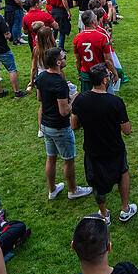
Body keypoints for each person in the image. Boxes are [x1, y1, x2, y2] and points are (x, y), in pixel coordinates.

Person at [71, 63, 136, 223]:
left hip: (93, 148)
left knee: (96, 180)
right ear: (104, 81)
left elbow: (74, 125)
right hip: (114, 148)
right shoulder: (115, 102)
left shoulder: (80, 99)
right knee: (122, 173)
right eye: (108, 76)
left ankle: (103, 213)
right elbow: (126, 130)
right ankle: (125, 209)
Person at [36, 47, 92, 202]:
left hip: (46, 125)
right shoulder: (59, 83)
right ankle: (73, 190)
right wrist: (73, 98)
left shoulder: (41, 77)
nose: (66, 58)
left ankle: (52, 190)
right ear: (58, 62)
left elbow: (40, 97)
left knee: (51, 158)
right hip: (59, 127)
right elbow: (64, 111)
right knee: (68, 160)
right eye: (63, 57)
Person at [72, 10, 117, 92]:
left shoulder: (77, 38)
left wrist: (80, 73)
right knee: (105, 100)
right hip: (100, 75)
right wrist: (115, 73)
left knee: (88, 101)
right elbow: (108, 60)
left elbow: (78, 60)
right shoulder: (102, 37)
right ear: (93, 21)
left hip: (86, 75)